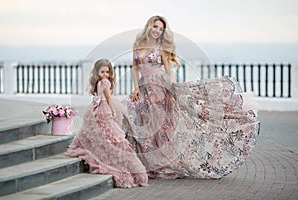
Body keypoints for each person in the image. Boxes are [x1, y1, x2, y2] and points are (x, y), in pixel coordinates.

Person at [121, 15, 260, 179]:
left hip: (159, 87)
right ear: (149, 26)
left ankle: (163, 163)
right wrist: (136, 87)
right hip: (144, 88)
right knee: (145, 124)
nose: (158, 31)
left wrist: (170, 88)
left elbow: (168, 71)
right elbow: (135, 68)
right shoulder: (138, 45)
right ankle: (147, 162)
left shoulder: (161, 48)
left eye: (161, 28)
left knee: (161, 127)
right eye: (155, 27)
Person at [66, 59, 148, 188]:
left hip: (98, 109)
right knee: (112, 135)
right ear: (97, 72)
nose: (105, 74)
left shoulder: (99, 82)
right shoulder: (104, 82)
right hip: (104, 109)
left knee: (104, 133)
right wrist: (114, 110)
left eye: (107, 72)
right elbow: (108, 98)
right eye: (102, 72)